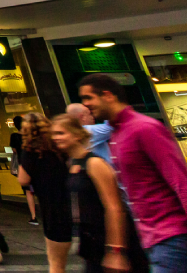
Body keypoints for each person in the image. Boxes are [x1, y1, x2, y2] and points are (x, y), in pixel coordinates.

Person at [80, 72, 187, 273]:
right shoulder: (117, 134)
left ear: (108, 95)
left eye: (88, 98)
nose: (85, 104)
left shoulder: (145, 128)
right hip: (151, 240)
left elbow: (184, 186)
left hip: (173, 239)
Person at [50, 113, 146, 273]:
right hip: (91, 241)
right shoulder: (72, 163)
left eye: (61, 133)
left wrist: (115, 250)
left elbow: (115, 207)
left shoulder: (94, 163)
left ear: (76, 134)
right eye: (53, 134)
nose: (55, 138)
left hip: (108, 239)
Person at [17, 112, 73, 273]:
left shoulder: (30, 150)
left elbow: (23, 180)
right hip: (71, 200)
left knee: (55, 263)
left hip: (51, 205)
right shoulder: (59, 147)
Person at [10, 115, 38, 225]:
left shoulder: (14, 136)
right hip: (36, 164)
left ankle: (34, 216)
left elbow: (15, 150)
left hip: (24, 165)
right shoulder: (32, 136)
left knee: (28, 191)